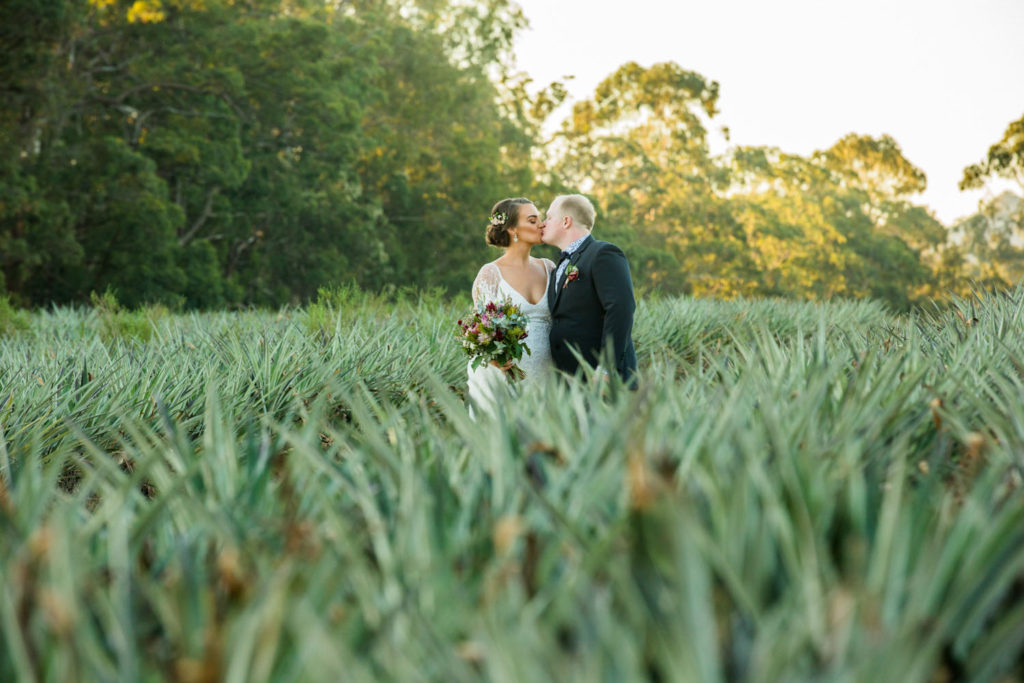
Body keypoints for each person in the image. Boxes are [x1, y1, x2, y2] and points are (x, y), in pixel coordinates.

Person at [466, 198, 556, 414]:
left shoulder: (550, 268)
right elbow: (482, 330)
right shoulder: (490, 274)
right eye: (533, 221)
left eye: (540, 219)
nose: (541, 225)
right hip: (504, 377)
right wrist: (496, 358)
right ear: (512, 229)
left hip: (547, 374)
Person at [541, 194, 637, 382]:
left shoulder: (603, 253)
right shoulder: (558, 266)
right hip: (569, 380)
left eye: (549, 217)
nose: (543, 223)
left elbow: (621, 309)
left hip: (600, 378)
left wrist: (607, 368)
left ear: (566, 221)